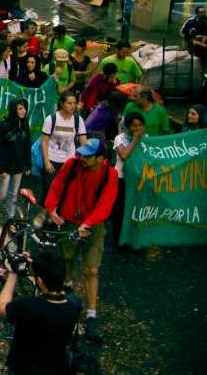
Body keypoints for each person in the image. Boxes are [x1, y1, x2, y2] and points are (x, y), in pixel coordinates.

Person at [44, 138, 118, 341]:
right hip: (69, 220)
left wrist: (89, 223)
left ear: (101, 159)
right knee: (67, 257)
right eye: (82, 154)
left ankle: (91, 312)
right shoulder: (72, 165)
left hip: (94, 225)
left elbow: (106, 203)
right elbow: (57, 186)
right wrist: (51, 208)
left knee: (92, 269)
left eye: (88, 155)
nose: (82, 157)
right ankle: (67, 284)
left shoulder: (109, 174)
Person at [0, 248, 82, 375]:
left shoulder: (27, 305)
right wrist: (35, 263)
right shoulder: (74, 304)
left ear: (40, 281)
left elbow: (2, 308)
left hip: (24, 368)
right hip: (55, 368)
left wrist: (12, 276)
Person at [0, 98, 31, 222]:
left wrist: (27, 164)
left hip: (18, 166)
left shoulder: (25, 124)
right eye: (20, 108)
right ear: (13, 110)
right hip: (5, 166)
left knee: (13, 195)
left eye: (24, 108)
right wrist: (1, 168)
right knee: (2, 193)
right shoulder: (4, 125)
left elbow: (27, 145)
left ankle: (9, 220)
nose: (23, 111)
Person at [40, 91, 87, 200]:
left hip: (69, 161)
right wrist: (46, 161)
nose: (72, 106)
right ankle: (44, 212)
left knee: (66, 190)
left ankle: (58, 214)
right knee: (49, 188)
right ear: (61, 103)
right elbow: (44, 141)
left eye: (74, 103)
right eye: (69, 103)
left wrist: (84, 159)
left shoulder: (78, 120)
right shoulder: (51, 119)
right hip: (52, 159)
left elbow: (83, 140)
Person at [112, 112, 145, 248]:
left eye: (140, 125)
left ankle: (133, 238)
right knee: (120, 210)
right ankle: (119, 240)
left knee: (135, 210)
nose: (137, 128)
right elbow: (124, 155)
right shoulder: (120, 138)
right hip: (121, 179)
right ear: (128, 127)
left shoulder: (147, 139)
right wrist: (135, 140)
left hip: (138, 180)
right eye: (134, 126)